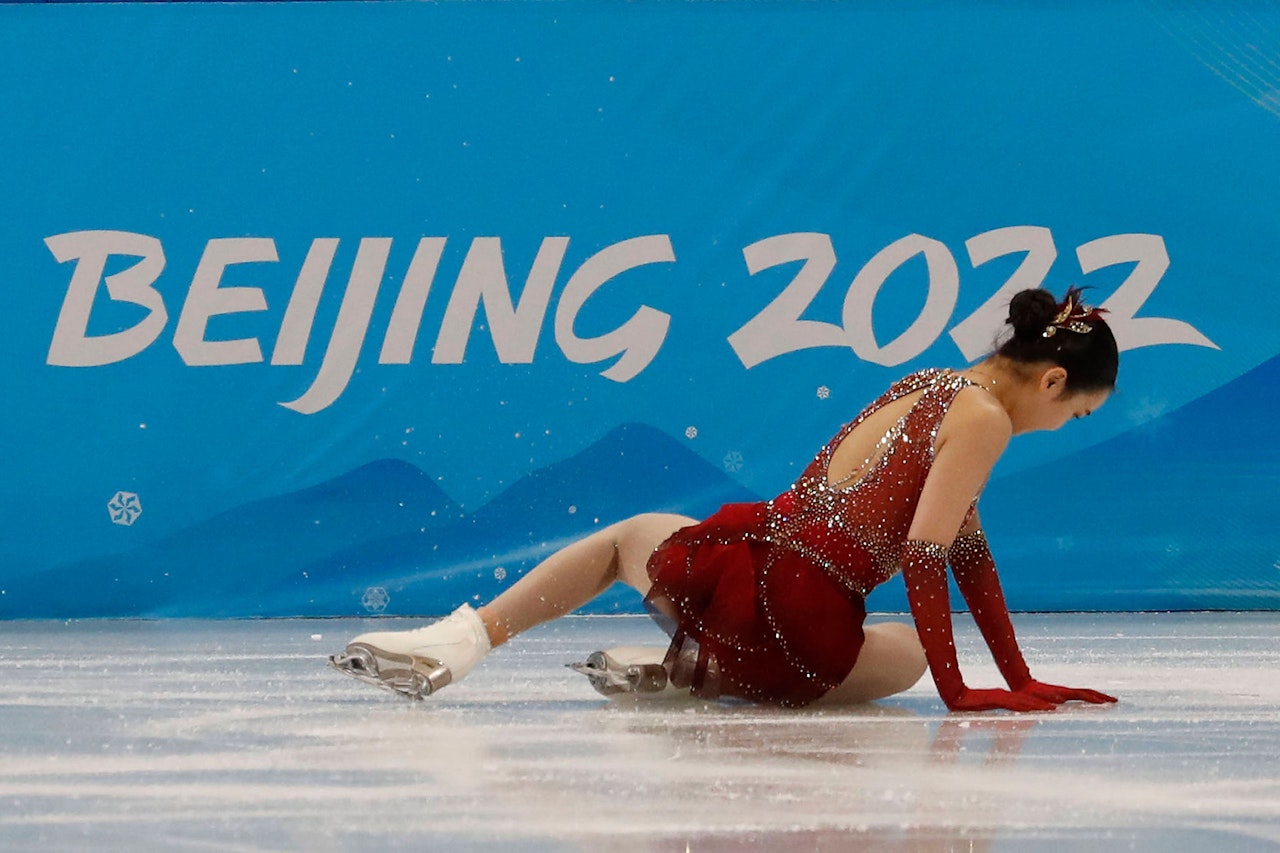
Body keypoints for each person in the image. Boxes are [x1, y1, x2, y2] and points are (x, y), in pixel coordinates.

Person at [331, 287, 1120, 712]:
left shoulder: (932, 383)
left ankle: (465, 639)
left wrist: (1019, 674)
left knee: (631, 537)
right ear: (1052, 380)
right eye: (1077, 413)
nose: (1064, 425)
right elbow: (925, 556)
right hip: (799, 618)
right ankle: (704, 670)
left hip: (743, 570)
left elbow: (969, 555)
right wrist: (961, 691)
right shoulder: (984, 419)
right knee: (905, 654)